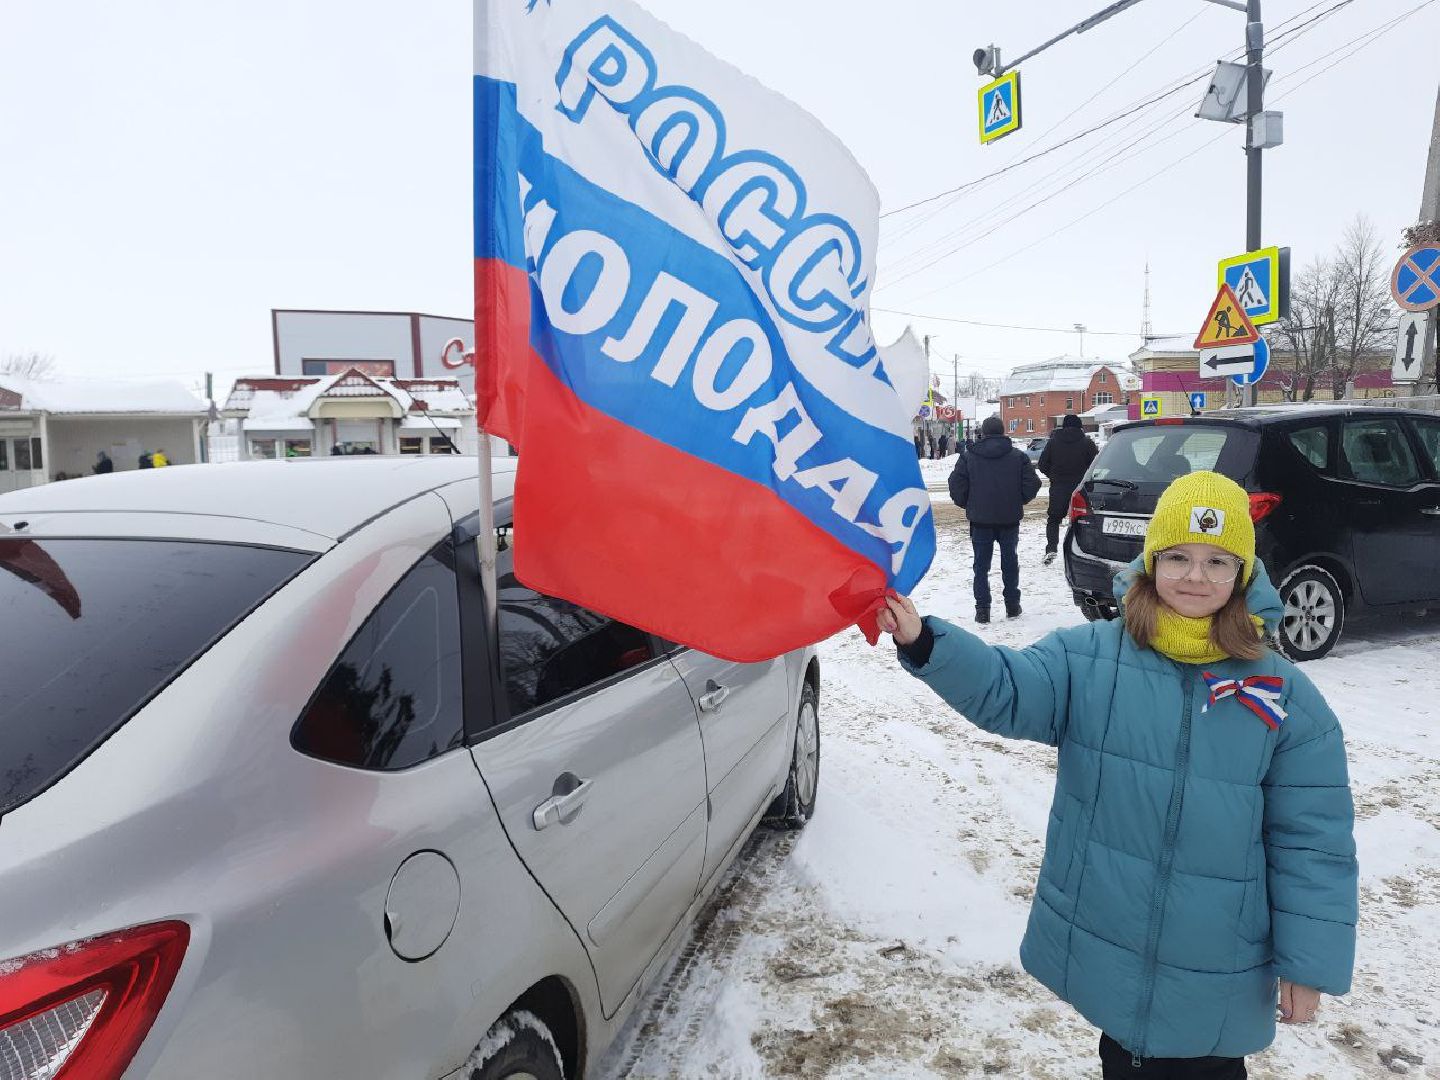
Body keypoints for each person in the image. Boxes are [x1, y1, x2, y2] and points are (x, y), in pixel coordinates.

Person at [877, 472, 1357, 1079]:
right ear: (1151, 562)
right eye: (1178, 557)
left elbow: (1314, 839)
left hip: (1217, 957)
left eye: (1217, 561)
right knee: (1124, 1061)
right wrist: (924, 641)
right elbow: (1007, 688)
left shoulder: (1284, 693)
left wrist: (1308, 963)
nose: (1195, 576)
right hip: (1117, 944)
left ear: (1243, 573)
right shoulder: (1091, 657)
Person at [947, 415, 1040, 622]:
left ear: (984, 433)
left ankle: (982, 610)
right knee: (1010, 562)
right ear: (1003, 431)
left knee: (981, 566)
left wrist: (968, 504)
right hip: (1009, 519)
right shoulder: (1018, 456)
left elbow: (956, 484)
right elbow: (1033, 484)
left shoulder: (969, 456)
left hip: (980, 521)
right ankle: (1013, 606)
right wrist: (1018, 500)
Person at [1037, 414, 1099, 566]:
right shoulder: (1087, 443)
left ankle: (1051, 548)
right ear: (1080, 427)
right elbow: (1096, 465)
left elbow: (1042, 464)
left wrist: (1053, 475)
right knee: (1081, 520)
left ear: (1063, 426)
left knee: (1053, 519)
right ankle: (1081, 551)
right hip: (1080, 489)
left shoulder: (1053, 442)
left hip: (1058, 487)